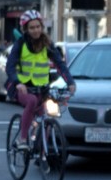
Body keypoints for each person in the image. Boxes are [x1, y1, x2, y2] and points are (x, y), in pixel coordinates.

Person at [5, 10, 76, 151]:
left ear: (42, 27)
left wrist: (70, 82)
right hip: (22, 87)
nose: (35, 30)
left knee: (45, 116)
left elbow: (60, 64)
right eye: (31, 28)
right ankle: (22, 139)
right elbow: (10, 66)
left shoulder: (47, 44)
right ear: (26, 29)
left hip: (41, 88)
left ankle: (41, 151)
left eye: (38, 26)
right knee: (31, 101)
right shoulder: (21, 44)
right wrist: (18, 82)